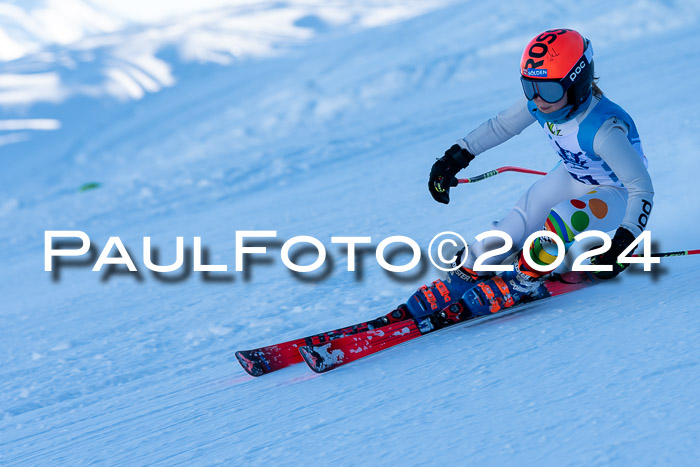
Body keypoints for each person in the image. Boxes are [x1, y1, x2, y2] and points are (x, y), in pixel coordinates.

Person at [380, 28, 654, 323]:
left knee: (563, 216)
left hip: (614, 194)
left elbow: (641, 188)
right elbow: (500, 126)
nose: (538, 100)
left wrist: (625, 241)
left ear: (578, 84)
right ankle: (466, 271)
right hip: (572, 177)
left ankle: (525, 279)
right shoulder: (543, 103)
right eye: (529, 87)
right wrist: (453, 159)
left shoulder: (602, 129)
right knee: (508, 231)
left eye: (549, 90)